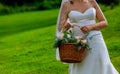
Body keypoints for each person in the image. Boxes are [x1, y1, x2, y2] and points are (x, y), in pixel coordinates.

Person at [55, 0, 119, 74]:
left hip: (96, 38)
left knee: (101, 61)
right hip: (78, 41)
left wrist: (91, 27)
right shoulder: (67, 4)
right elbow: (60, 27)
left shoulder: (92, 1)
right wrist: (67, 25)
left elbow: (104, 22)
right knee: (82, 66)